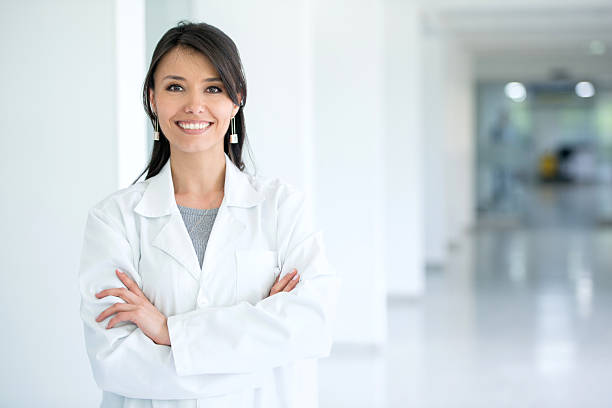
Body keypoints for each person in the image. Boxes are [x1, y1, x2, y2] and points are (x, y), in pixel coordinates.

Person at [78, 21, 338, 408]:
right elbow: (116, 363)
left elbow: (312, 325)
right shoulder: (114, 219)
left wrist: (170, 332)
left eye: (213, 88)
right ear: (153, 99)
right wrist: (258, 350)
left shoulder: (281, 207)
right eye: (175, 87)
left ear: (236, 99)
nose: (194, 105)